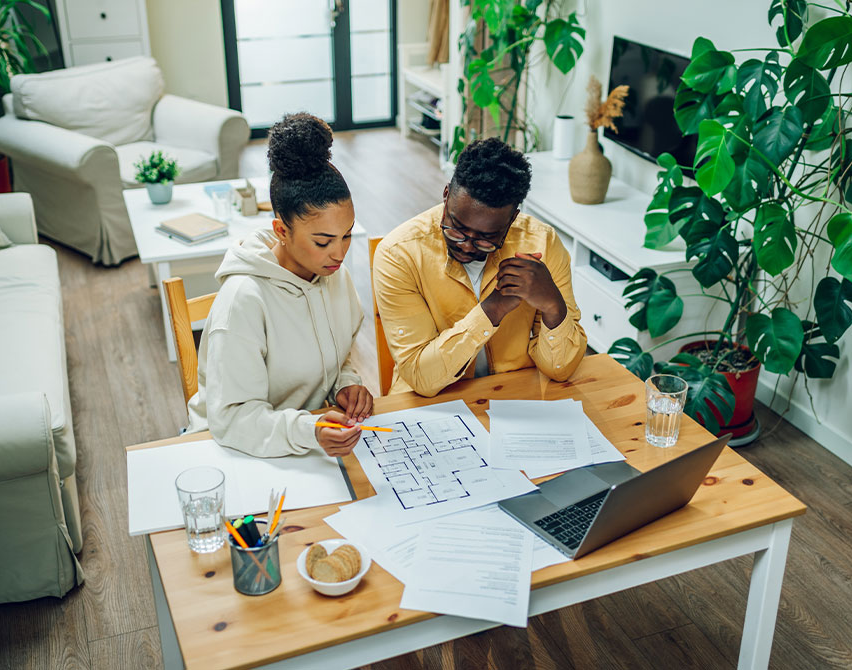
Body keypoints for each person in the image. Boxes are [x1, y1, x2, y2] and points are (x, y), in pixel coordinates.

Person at [186, 112, 373, 458]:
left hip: (303, 444)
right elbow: (230, 419)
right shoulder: (243, 300)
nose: (339, 253)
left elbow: (337, 354)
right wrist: (308, 431)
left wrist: (346, 385)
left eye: (346, 236)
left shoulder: (334, 276)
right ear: (281, 231)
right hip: (232, 451)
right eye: (323, 241)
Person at [373, 137, 587, 397]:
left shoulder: (543, 242)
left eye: (486, 238)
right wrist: (492, 309)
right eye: (457, 228)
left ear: (512, 220)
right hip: (430, 405)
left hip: (513, 398)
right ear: (445, 196)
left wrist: (554, 305)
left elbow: (561, 370)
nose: (466, 245)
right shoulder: (400, 254)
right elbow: (421, 378)